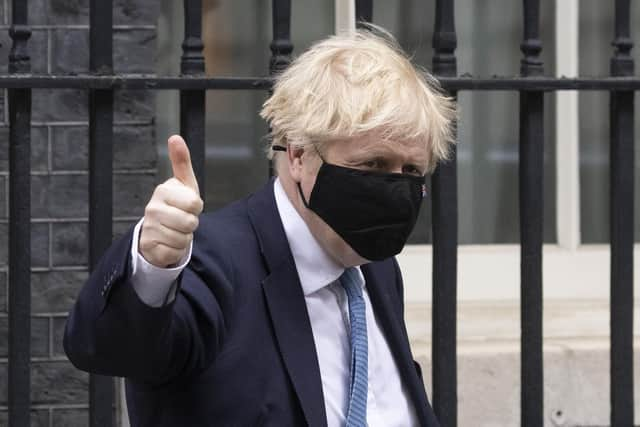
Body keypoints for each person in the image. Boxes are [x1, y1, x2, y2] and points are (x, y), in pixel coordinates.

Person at [64, 26, 455, 427]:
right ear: (299, 155)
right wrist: (151, 266)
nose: (395, 186)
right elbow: (110, 349)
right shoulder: (213, 262)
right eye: (372, 164)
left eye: (411, 170)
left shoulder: (375, 269)